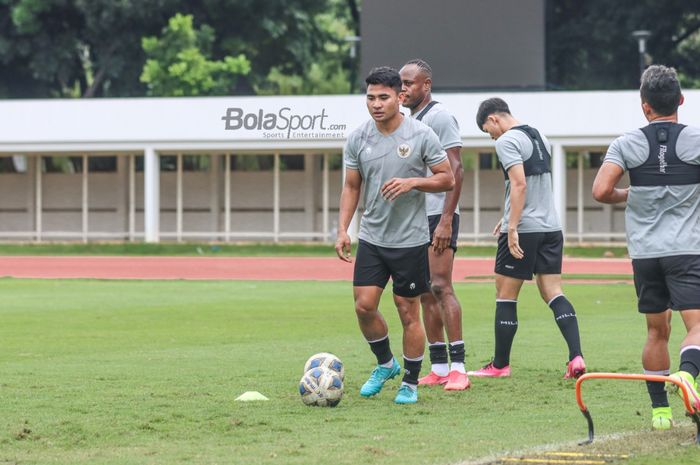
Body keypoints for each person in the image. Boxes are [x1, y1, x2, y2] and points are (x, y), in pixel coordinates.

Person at [335, 66, 455, 404]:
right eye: (370, 98)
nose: (376, 104)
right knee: (364, 307)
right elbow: (351, 185)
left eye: (383, 97)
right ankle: (386, 364)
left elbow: (447, 178)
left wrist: (413, 182)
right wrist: (343, 229)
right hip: (372, 238)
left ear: (399, 98)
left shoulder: (421, 135)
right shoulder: (358, 137)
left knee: (407, 311)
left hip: (411, 240)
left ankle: (411, 382)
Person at [592, 65, 700, 430]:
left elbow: (601, 191)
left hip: (645, 253)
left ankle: (660, 414)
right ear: (681, 101)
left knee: (657, 331)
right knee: (697, 326)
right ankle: (687, 375)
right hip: (687, 250)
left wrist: (631, 193)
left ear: (645, 107)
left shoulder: (626, 143)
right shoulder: (697, 139)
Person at [468, 98, 585, 379]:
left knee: (505, 296)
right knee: (553, 292)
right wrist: (507, 214)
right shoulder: (539, 135)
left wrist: (512, 226)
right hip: (551, 227)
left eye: (488, 130)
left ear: (494, 119)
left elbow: (519, 183)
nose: (491, 136)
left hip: (526, 229)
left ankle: (499, 366)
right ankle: (576, 357)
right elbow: (533, 186)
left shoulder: (506, 141)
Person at [399, 59, 469, 391]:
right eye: (401, 83)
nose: (403, 89)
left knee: (441, 286)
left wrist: (445, 220)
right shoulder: (411, 122)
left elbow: (456, 169)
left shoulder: (440, 117)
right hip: (416, 217)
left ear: (426, 85)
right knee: (425, 291)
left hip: (438, 214)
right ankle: (439, 366)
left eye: (409, 83)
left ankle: (459, 367)